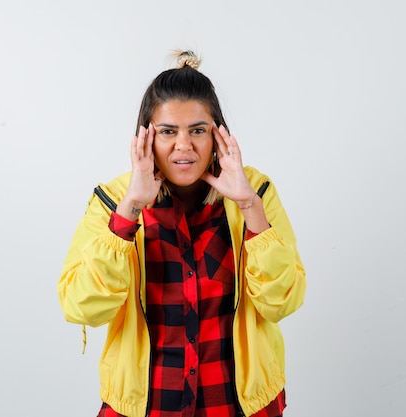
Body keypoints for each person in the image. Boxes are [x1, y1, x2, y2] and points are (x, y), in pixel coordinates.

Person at [57, 50, 306, 417]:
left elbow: (282, 301)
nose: (184, 146)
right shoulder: (113, 201)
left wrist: (249, 206)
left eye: (198, 131)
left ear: (218, 136)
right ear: (145, 138)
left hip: (238, 407)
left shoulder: (256, 193)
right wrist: (129, 212)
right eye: (168, 132)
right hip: (146, 407)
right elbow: (82, 307)